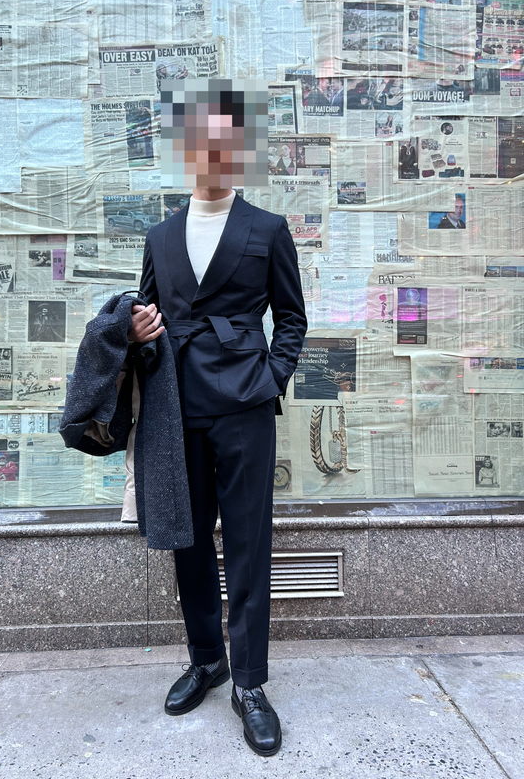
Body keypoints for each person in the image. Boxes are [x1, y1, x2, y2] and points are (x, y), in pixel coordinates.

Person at [128, 81, 307, 757]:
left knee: (250, 543)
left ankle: (250, 682)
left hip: (244, 408)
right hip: (178, 408)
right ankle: (207, 660)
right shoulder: (160, 236)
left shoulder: (268, 229)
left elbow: (292, 319)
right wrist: (136, 329)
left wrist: (270, 378)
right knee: (190, 540)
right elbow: (146, 316)